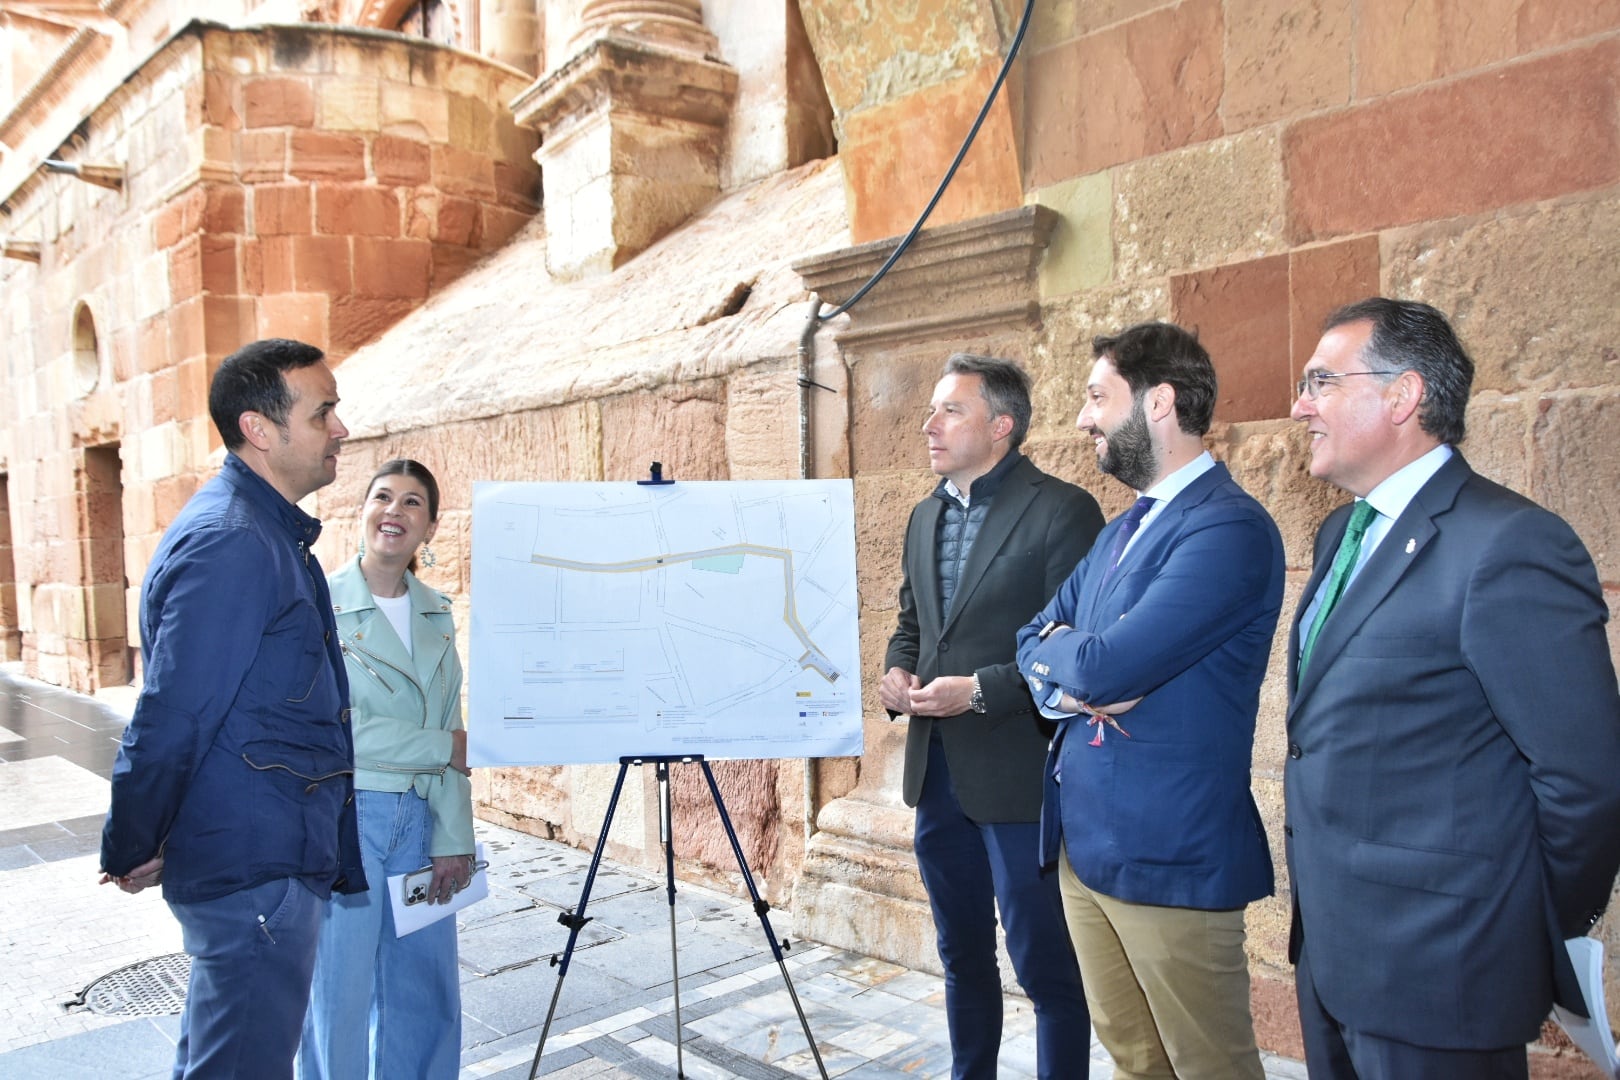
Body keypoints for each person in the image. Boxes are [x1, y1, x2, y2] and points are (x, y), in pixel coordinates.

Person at [1284, 297, 1620, 1078]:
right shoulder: (1343, 531)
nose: (1300, 405)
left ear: (1402, 396)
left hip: (1444, 974)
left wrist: (1519, 927)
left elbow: (1585, 781)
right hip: (1334, 958)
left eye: (1322, 382)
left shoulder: (1509, 546)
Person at [1015, 322, 1282, 1080]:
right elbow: (1032, 636)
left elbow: (1102, 666)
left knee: (1209, 1067)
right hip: (1084, 849)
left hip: (1171, 859)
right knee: (1135, 1061)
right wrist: (1080, 670)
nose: (1082, 418)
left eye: (1098, 396)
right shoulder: (1123, 528)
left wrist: (1082, 666)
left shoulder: (1228, 529)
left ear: (1158, 401)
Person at [99, 338, 365, 1079]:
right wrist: (135, 837)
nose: (340, 429)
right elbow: (173, 716)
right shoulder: (234, 542)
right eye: (324, 412)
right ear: (260, 428)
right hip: (254, 860)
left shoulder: (262, 532)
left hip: (266, 850)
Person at [880, 352, 1102, 1079]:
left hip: (1019, 777)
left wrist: (976, 690)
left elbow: (1072, 646)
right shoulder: (923, 515)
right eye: (933, 410)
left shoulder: (1061, 509)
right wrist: (897, 669)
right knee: (960, 953)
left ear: (1001, 425)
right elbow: (913, 623)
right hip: (936, 774)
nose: (929, 424)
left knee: (1047, 968)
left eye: (951, 411)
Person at [298, 458, 472, 1079]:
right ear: (363, 511)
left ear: (429, 527)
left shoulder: (436, 611)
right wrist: (438, 748)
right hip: (351, 817)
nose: (394, 511)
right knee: (338, 989)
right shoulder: (319, 600)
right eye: (383, 497)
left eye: (412, 503)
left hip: (422, 820)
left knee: (425, 988)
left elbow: (454, 723)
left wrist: (455, 839)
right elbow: (334, 729)